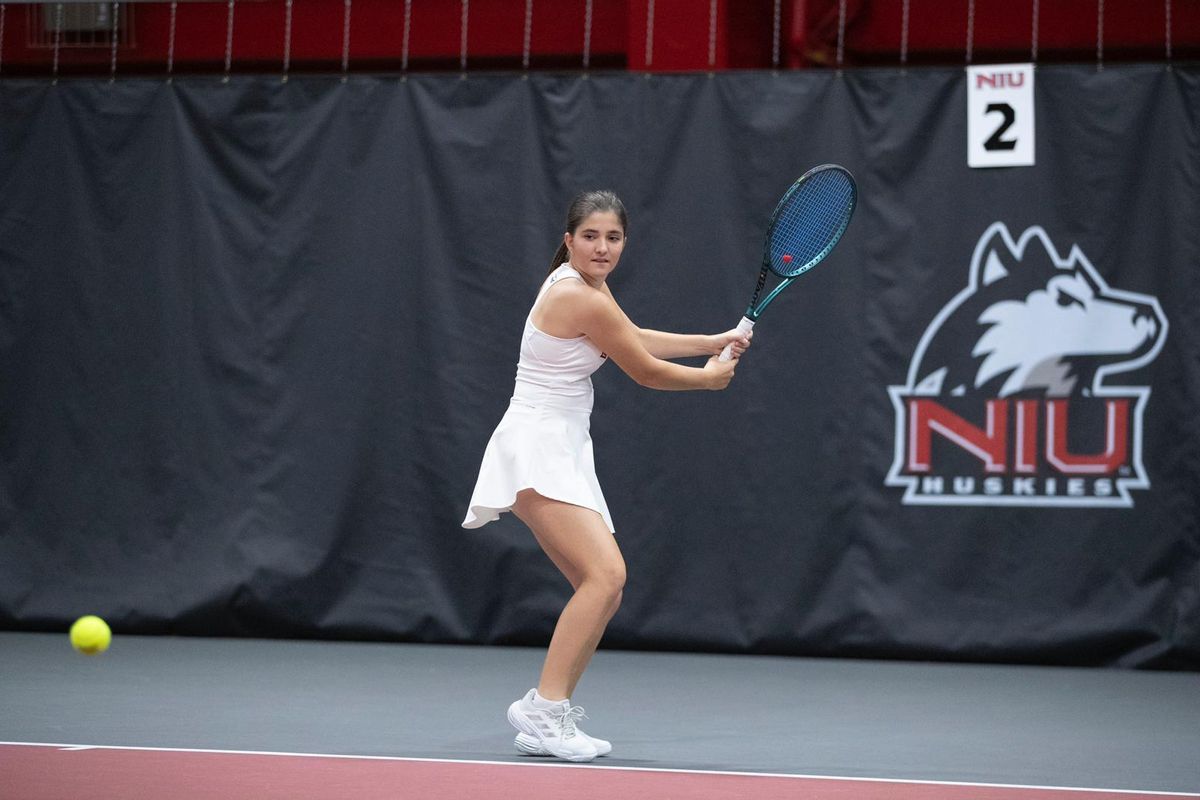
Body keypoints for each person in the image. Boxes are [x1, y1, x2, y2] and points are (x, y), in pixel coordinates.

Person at [462, 190, 752, 763]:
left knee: (603, 587)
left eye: (613, 238)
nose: (602, 247)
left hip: (558, 446)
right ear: (569, 240)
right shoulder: (578, 295)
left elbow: (632, 335)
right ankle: (543, 710)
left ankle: (551, 713)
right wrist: (709, 380)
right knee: (606, 575)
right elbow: (643, 371)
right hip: (537, 446)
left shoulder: (589, 288)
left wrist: (711, 343)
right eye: (591, 236)